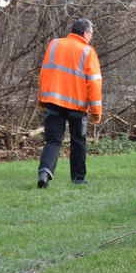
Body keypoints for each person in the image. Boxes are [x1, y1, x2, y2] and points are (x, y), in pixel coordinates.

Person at [36, 18, 102, 188]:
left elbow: (44, 72)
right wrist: (96, 111)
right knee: (78, 141)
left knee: (53, 141)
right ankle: (78, 178)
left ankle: (44, 172)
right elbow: (94, 83)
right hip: (76, 106)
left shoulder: (55, 44)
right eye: (91, 34)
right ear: (86, 33)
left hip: (53, 102)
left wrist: (42, 98)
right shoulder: (88, 51)